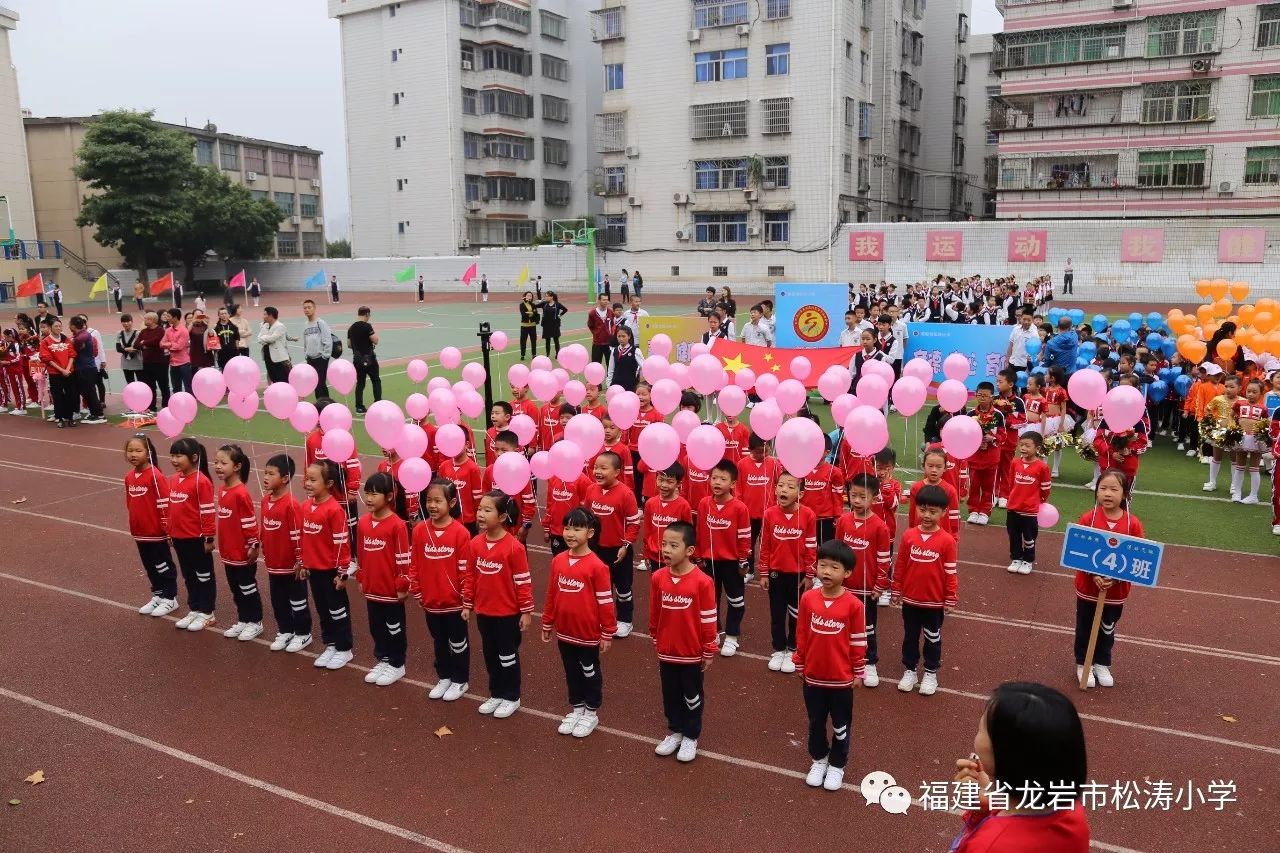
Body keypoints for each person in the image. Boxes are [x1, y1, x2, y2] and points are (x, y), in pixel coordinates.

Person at [951, 683, 1090, 851]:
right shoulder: (1071, 812)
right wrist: (986, 800)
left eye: (981, 729)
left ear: (1004, 754)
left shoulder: (990, 845)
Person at [793, 540, 867, 792]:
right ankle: (819, 759)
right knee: (815, 721)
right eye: (822, 565)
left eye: (833, 567)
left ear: (846, 573)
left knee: (840, 723)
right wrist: (799, 661)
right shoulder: (808, 599)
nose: (825, 572)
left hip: (841, 679)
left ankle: (837, 764)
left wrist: (858, 670)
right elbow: (802, 632)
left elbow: (858, 641)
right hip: (813, 677)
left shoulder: (854, 605)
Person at [541, 507, 617, 738]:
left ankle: (591, 712)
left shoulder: (597, 567)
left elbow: (605, 602)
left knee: (589, 671)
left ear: (590, 533)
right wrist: (547, 622)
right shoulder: (559, 561)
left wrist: (607, 632)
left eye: (577, 528)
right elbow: (552, 593)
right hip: (565, 632)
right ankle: (577, 708)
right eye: (567, 528)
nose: (570, 533)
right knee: (571, 671)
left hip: (588, 634)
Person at [650, 521, 718, 763]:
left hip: (691, 653)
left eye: (673, 545)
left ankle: (691, 735)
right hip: (667, 651)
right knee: (670, 694)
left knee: (692, 695)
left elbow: (709, 618)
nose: (666, 549)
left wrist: (709, 648)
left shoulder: (702, 582)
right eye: (664, 544)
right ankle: (675, 730)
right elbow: (655, 610)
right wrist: (654, 634)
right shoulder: (658, 577)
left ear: (689, 551)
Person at [463, 491, 533, 719]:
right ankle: (496, 693)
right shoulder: (474, 544)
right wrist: (467, 604)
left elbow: (523, 581)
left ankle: (512, 696)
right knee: (490, 654)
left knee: (507, 655)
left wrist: (526, 611)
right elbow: (470, 576)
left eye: (487, 510)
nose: (480, 514)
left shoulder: (514, 547)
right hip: (484, 612)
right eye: (479, 509)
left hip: (506, 614)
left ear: (502, 517)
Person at [1072, 470, 1142, 688]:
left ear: (1125, 494)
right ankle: (1083, 663)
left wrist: (1116, 579)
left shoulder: (1132, 523)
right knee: (1085, 626)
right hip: (1088, 588)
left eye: (1114, 489)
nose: (1108, 494)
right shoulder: (1088, 518)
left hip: (1115, 592)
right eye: (1103, 488)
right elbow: (1078, 552)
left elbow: (1137, 556)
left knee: (1107, 627)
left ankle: (1102, 662)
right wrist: (1093, 575)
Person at [889, 483, 958, 696]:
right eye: (922, 510)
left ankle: (930, 672)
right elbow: (900, 565)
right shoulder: (909, 536)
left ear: (943, 512)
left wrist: (950, 597)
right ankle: (909, 670)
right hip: (910, 600)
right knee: (910, 636)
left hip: (934, 603)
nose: (927, 515)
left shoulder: (947, 541)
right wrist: (896, 589)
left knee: (932, 637)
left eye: (933, 511)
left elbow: (950, 572)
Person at [409, 478, 473, 701]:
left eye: (438, 501)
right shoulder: (419, 531)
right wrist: (417, 590)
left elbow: (466, 570)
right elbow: (414, 563)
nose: (432, 505)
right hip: (431, 601)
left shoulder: (461, 533)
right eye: (429, 500)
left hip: (454, 603)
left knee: (458, 642)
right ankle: (444, 676)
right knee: (439, 641)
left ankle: (460, 680)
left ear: (452, 502)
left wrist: (466, 599)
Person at [354, 472, 412, 687]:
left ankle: (397, 663)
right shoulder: (362, 523)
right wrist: (361, 577)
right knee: (376, 626)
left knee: (394, 627)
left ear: (389, 496)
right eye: (367, 493)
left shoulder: (397, 525)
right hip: (372, 587)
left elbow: (403, 558)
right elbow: (360, 552)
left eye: (374, 494)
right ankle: (383, 658)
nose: (369, 499)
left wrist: (402, 584)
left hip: (390, 589)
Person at [834, 473, 891, 686]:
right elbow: (836, 552)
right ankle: (846, 660)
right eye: (853, 495)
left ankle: (870, 663)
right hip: (845, 587)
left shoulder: (879, 527)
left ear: (874, 499)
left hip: (868, 589)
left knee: (867, 627)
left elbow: (884, 559)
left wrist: (880, 585)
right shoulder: (843, 521)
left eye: (862, 496)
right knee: (843, 624)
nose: (857, 501)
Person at [758, 471, 817, 674]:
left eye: (791, 487)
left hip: (798, 576)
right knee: (777, 613)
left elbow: (811, 546)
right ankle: (778, 649)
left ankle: (794, 648)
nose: (784, 489)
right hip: (776, 573)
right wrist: (764, 572)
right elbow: (765, 545)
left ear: (800, 494)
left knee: (796, 615)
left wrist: (810, 574)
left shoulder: (808, 515)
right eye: (781, 485)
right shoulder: (769, 514)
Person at [301, 458, 357, 671]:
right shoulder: (306, 506)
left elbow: (343, 543)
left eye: (313, 480)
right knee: (323, 610)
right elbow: (305, 539)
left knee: (337, 610)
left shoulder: (334, 510)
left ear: (329, 483)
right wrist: (304, 562)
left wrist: (342, 572)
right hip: (313, 570)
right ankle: (331, 644)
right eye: (307, 478)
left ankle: (344, 648)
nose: (308, 483)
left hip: (330, 572)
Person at [696, 459, 752, 657]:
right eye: (714, 478)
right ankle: (714, 632)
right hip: (709, 561)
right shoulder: (704, 503)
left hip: (731, 563)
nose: (717, 482)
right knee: (710, 599)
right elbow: (700, 531)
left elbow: (744, 537)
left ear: (733, 483)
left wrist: (743, 560)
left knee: (736, 600)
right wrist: (698, 556)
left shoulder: (739, 508)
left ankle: (732, 636)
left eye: (722, 479)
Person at [584, 451, 642, 638]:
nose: (598, 471)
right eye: (596, 467)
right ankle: (603, 618)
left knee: (622, 587)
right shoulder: (591, 490)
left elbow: (634, 523)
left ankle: (625, 620)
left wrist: (625, 545)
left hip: (619, 550)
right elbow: (587, 518)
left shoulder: (626, 494)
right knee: (600, 586)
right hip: (595, 549)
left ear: (617, 472)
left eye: (603, 468)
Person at [259, 454, 312, 653]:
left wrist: (300, 560)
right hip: (274, 563)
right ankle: (285, 630)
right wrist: (263, 547)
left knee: (298, 601)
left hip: (291, 565)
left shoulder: (291, 505)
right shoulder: (265, 502)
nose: (265, 477)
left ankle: (303, 633)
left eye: (271, 473)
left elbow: (298, 534)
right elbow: (264, 529)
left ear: (284, 478)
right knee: (278, 600)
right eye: (265, 472)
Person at [123, 434, 179, 618]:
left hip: (156, 532)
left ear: (149, 453)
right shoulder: (129, 477)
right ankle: (158, 594)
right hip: (140, 533)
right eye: (130, 451)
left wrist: (167, 528)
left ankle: (170, 597)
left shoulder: (155, 476)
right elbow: (130, 503)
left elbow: (165, 503)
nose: (133, 454)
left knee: (162, 564)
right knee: (149, 565)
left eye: (138, 450)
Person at [213, 444, 264, 643]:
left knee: (247, 587)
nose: (218, 466)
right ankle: (244, 619)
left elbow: (249, 521)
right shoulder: (223, 490)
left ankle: (255, 621)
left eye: (223, 463)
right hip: (228, 551)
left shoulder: (240, 493)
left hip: (242, 552)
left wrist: (253, 544)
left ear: (237, 466)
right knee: (235, 587)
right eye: (216, 462)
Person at [168, 438, 217, 632]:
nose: (174, 459)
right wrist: (170, 532)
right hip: (179, 538)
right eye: (172, 455)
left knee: (204, 575)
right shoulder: (174, 479)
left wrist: (209, 537)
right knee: (188, 575)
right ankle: (195, 608)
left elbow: (207, 510)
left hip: (196, 539)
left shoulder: (201, 481)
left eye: (179, 455)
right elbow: (172, 509)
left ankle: (207, 612)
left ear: (194, 457)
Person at [1005, 432, 1051, 575]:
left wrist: (1039, 502)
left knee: (1029, 537)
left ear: (1037, 448)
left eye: (1027, 445)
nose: (1023, 448)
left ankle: (1028, 560)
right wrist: (1012, 498)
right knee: (1013, 535)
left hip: (1029, 510)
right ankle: (1016, 558)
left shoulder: (1042, 467)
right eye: (1021, 445)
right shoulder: (1015, 462)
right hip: (1013, 507)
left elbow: (1045, 488)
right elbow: (1011, 482)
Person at [966, 382, 1006, 526]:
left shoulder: (998, 415)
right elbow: (965, 435)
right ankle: (973, 510)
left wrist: (992, 438)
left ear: (992, 397)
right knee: (974, 486)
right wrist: (976, 440)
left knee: (989, 487)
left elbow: (1003, 436)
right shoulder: (970, 414)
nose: (982, 398)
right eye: (979, 395)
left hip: (991, 458)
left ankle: (985, 511)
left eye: (985, 395)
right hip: (974, 457)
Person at [68, 316, 106, 423]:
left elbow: (77, 345)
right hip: (84, 367)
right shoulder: (81, 335)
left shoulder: (82, 336)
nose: (69, 326)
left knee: (90, 392)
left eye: (69, 324)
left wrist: (71, 342)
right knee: (86, 392)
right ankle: (94, 413)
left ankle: (98, 415)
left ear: (73, 326)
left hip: (86, 368)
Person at [348, 306, 381, 414]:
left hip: (357, 360)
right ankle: (377, 403)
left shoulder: (351, 328)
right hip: (370, 358)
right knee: (375, 380)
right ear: (367, 314)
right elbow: (375, 340)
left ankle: (359, 407)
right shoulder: (367, 326)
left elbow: (349, 345)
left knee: (360, 383)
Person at [301, 299, 332, 400]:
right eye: (305, 308)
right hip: (310, 359)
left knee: (320, 383)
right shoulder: (305, 324)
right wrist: (306, 354)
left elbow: (328, 340)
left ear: (314, 308)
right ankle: (321, 403)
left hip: (320, 358)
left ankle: (325, 404)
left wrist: (325, 356)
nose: (306, 310)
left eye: (309, 307)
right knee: (315, 383)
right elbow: (305, 340)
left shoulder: (321, 323)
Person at [160, 308, 192, 395]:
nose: (167, 318)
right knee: (176, 388)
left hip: (184, 363)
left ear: (175, 317)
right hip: (173, 363)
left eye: (169, 316)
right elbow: (161, 344)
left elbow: (179, 347)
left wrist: (169, 345)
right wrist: (172, 344)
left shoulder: (183, 331)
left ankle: (190, 405)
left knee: (188, 387)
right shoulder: (168, 330)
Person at [258, 307, 291, 384]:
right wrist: (265, 338)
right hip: (268, 357)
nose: (263, 316)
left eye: (265, 314)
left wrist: (264, 338)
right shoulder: (265, 326)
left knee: (283, 379)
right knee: (274, 378)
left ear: (271, 315)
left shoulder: (280, 326)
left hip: (279, 358)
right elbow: (259, 339)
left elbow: (272, 339)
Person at [606, 325, 643, 391]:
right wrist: (609, 385)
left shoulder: (635, 351)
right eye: (619, 336)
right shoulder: (614, 350)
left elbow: (643, 366)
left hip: (630, 385)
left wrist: (638, 377)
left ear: (629, 336)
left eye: (623, 336)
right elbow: (610, 369)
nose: (621, 339)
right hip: (616, 385)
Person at [116, 314, 144, 391]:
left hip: (137, 361)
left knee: (141, 382)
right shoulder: (119, 334)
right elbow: (118, 348)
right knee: (130, 383)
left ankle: (142, 397)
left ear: (132, 322)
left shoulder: (138, 333)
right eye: (123, 322)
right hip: (126, 362)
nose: (126, 323)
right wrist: (127, 349)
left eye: (128, 321)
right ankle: (133, 398)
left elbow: (140, 347)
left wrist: (127, 349)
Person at [1007, 307, 1038, 373]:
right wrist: (1007, 361)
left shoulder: (1034, 334)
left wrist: (1028, 367)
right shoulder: (1016, 329)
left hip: (1023, 366)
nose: (1026, 322)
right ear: (1021, 318)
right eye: (1024, 319)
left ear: (1032, 320)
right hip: (1012, 362)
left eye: (1029, 320)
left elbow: (1035, 352)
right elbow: (1010, 345)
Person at [587, 292, 613, 367]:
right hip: (597, 344)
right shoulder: (592, 313)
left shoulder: (610, 312)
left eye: (607, 300)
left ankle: (610, 379)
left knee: (611, 365)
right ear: (598, 300)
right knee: (595, 365)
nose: (606, 302)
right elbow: (590, 325)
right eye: (604, 300)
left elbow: (613, 325)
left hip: (609, 344)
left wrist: (610, 335)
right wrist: (596, 334)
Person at [540, 290, 568, 356]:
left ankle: (557, 354)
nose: (546, 297)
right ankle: (547, 354)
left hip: (555, 325)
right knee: (547, 341)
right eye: (545, 296)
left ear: (551, 297)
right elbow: (534, 306)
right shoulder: (544, 303)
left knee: (556, 340)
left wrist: (560, 315)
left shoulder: (557, 304)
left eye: (547, 296)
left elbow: (565, 309)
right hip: (546, 325)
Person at [518, 291, 540, 361]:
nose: (529, 297)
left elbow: (536, 313)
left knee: (533, 341)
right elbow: (523, 314)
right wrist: (532, 313)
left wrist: (530, 313)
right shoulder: (521, 305)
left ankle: (534, 354)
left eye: (530, 296)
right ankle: (522, 355)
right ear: (525, 296)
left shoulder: (533, 305)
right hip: (524, 326)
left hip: (532, 326)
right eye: (528, 295)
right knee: (523, 341)